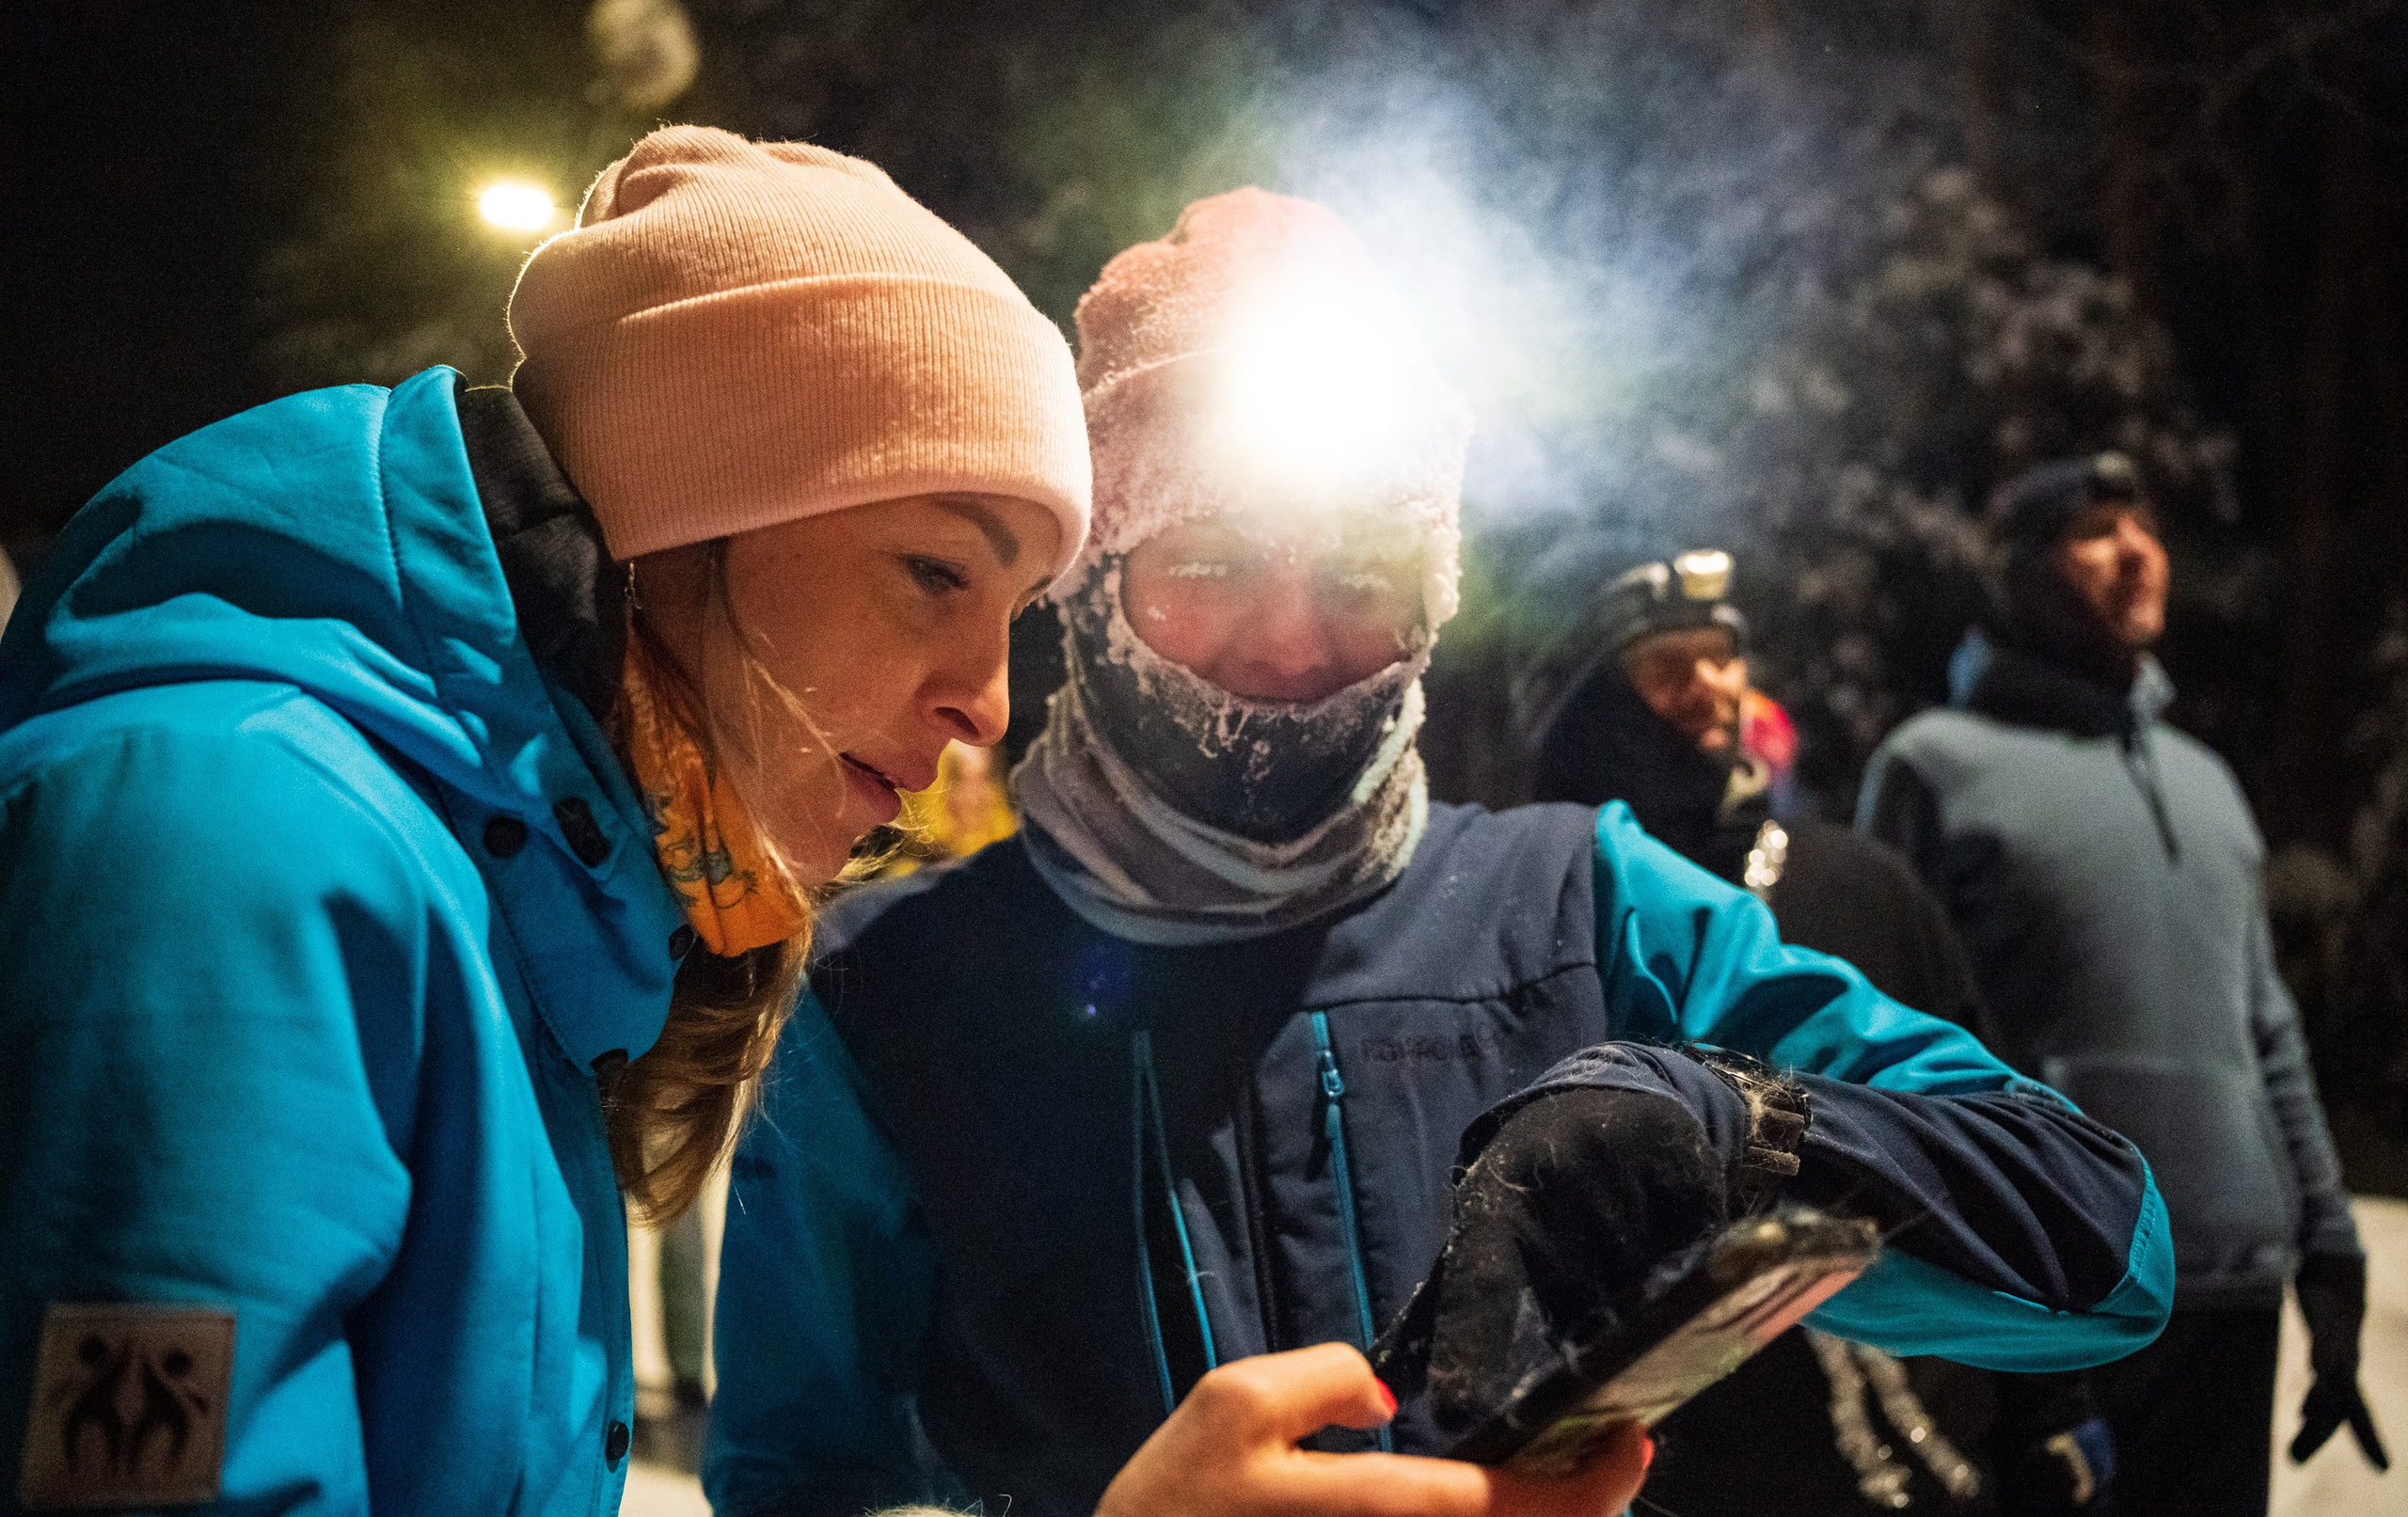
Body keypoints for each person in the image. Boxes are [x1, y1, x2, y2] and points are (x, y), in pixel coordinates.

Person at [0, 129, 1649, 1517]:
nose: (986, 703)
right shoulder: (228, 852)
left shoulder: (517, 912)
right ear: (685, 509)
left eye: (1015, 611)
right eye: (933, 571)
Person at [705, 188, 2175, 1517]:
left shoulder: (1588, 910)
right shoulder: (889, 992)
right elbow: (797, 1481)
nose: (1293, 640)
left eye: (1364, 568)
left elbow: (2110, 1246)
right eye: (1212, 560)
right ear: (1092, 585)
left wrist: (1744, 1132)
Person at [1522, 550, 2119, 1514]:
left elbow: (1988, 1133)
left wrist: (2048, 1401)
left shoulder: (1863, 885)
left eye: (1723, 655)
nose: (1712, 684)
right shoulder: (1544, 918)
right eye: (1666, 665)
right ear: (1592, 706)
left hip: (1929, 1463)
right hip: (1674, 1474)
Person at [1859, 451, 2391, 1515]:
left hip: (2230, 1290)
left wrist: (2329, 1254)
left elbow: (2266, 1031)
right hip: (2050, 1290)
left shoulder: (2206, 782)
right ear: (2020, 574)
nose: (2137, 550)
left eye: (2143, 526)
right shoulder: (1935, 765)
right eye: (2094, 531)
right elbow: (1883, 1036)